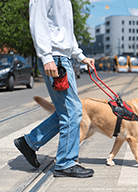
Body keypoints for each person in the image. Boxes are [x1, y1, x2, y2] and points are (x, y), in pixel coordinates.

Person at [14, 0, 95, 178]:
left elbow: (66, 31)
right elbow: (38, 22)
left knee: (66, 111)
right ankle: (66, 163)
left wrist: (80, 56)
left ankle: (29, 143)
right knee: (72, 111)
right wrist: (46, 56)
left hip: (63, 58)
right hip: (55, 59)